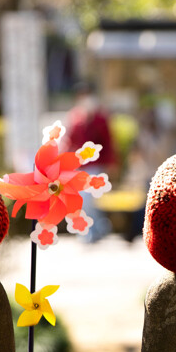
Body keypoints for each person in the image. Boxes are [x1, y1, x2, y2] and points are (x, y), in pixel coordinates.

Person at [63, 83, 118, 242]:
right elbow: (70, 141)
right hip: (79, 166)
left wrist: (111, 163)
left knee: (89, 198)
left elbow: (108, 142)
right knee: (83, 200)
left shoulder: (100, 118)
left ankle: (94, 229)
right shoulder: (75, 118)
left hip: (96, 165)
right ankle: (96, 228)